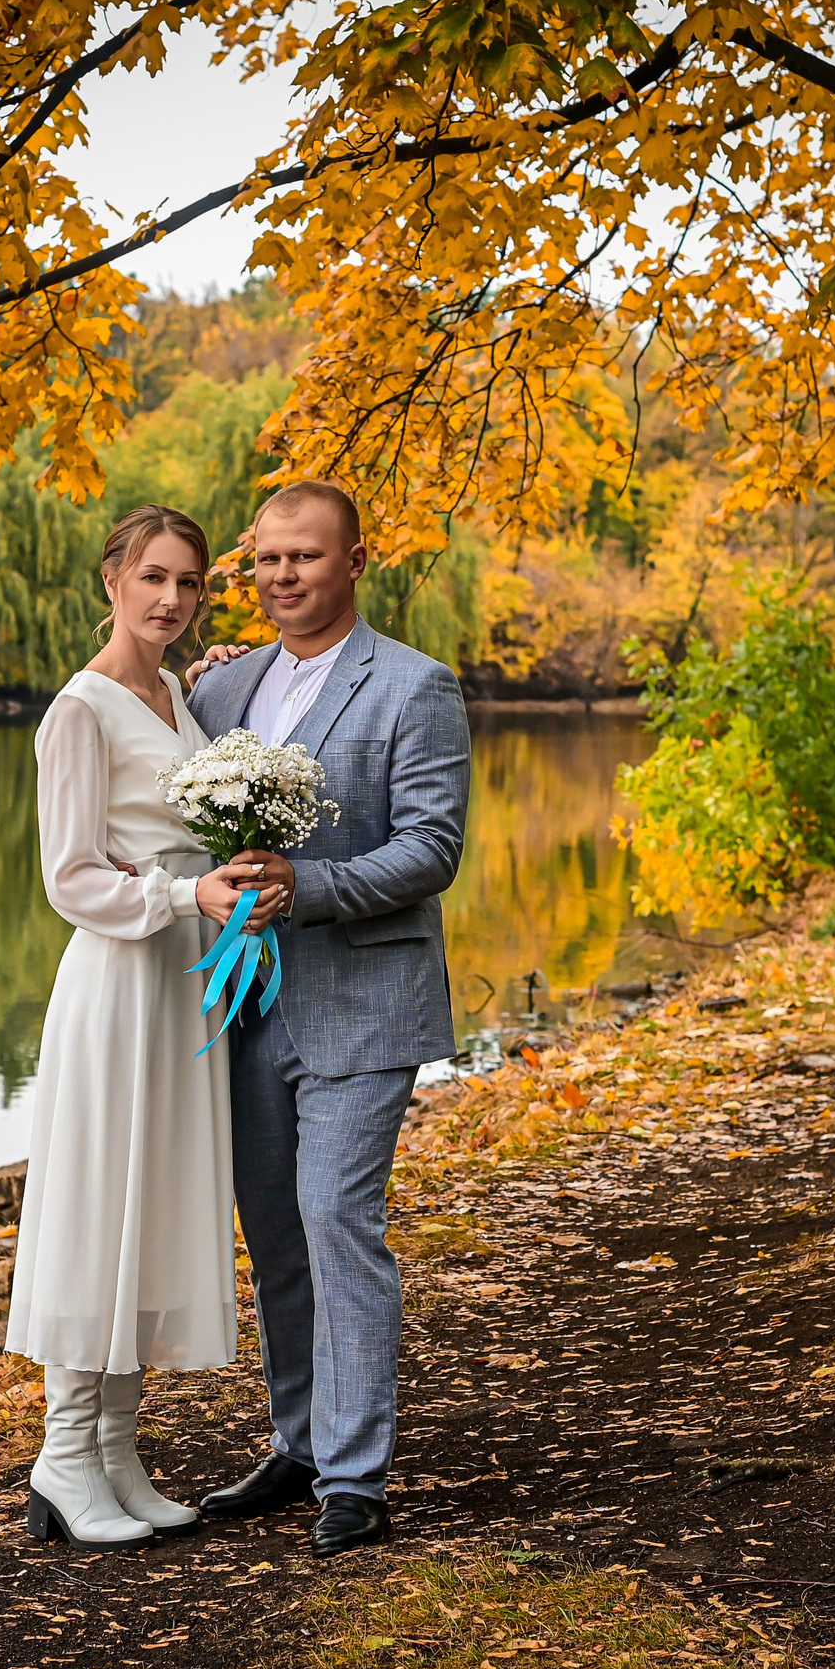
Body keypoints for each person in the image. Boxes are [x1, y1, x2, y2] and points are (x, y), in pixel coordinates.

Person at [186, 480, 471, 1559]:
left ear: (355, 561)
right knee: (274, 1236)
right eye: (265, 560)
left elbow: (430, 849)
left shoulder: (414, 685)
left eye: (304, 557)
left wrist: (309, 883)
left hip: (363, 1001)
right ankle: (297, 1442)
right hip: (244, 1001)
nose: (282, 576)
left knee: (337, 1222)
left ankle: (356, 1478)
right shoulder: (225, 689)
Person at [5, 504, 283, 1552]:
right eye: (153, 577)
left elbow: (197, 813)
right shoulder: (78, 709)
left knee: (151, 1207)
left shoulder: (173, 691)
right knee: (98, 1208)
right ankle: (64, 1451)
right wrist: (182, 900)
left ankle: (118, 1448)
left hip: (186, 981)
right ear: (111, 579)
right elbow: (71, 876)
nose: (171, 597)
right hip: (121, 979)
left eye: (191, 582)